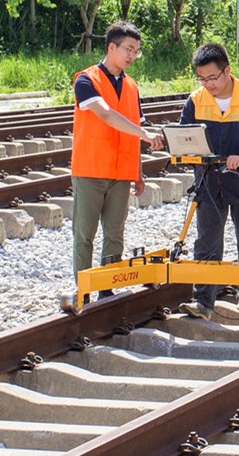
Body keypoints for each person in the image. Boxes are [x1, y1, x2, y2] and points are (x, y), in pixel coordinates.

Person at [177, 43, 239, 322]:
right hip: (209, 181)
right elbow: (185, 136)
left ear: (227, 71)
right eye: (202, 79)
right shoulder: (195, 100)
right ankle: (203, 302)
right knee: (207, 240)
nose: (207, 84)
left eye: (212, 78)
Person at [70, 21, 163, 294]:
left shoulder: (132, 86)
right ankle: (83, 289)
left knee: (114, 235)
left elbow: (131, 127)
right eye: (128, 49)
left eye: (136, 51)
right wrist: (145, 134)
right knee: (84, 235)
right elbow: (107, 115)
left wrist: (138, 170)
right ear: (112, 47)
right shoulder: (86, 79)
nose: (132, 56)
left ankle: (106, 287)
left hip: (121, 173)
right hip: (90, 169)